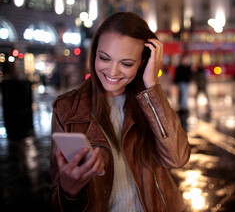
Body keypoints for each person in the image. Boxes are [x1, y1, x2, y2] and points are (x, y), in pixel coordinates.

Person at [50, 12, 191, 212]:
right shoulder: (67, 108)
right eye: (104, 58)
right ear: (94, 53)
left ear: (143, 62)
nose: (113, 72)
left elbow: (177, 158)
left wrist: (152, 85)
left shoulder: (148, 101)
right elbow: (57, 201)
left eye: (126, 63)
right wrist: (68, 190)